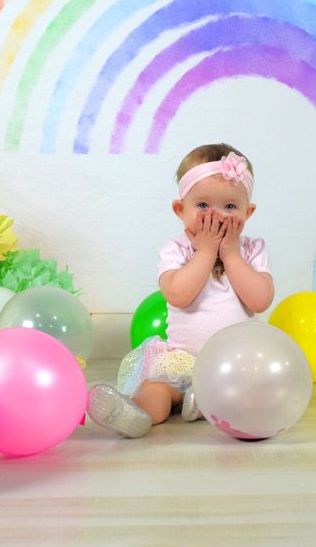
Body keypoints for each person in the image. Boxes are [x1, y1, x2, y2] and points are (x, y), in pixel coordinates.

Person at [87, 143, 274, 438]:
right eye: (203, 206)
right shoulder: (176, 250)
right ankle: (137, 413)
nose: (217, 216)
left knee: (250, 392)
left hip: (235, 363)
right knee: (157, 389)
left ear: (247, 212)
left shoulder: (251, 250)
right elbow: (178, 295)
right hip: (183, 359)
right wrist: (206, 252)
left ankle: (204, 403)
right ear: (180, 209)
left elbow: (260, 300)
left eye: (230, 207)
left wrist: (231, 255)